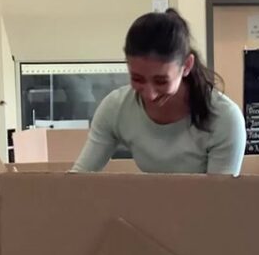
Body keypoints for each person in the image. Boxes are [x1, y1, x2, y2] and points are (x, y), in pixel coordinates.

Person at [71, 9, 247, 175]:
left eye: (161, 81)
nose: (149, 94)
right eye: (137, 79)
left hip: (200, 206)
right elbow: (79, 178)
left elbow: (218, 199)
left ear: (186, 66)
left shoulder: (224, 119)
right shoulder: (116, 108)